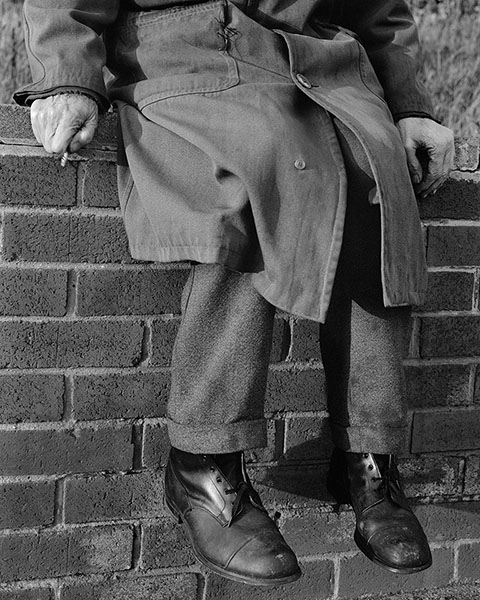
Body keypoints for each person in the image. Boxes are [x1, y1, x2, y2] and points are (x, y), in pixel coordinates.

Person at [15, 0, 454, 588]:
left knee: (377, 179)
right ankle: (203, 462)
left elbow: (378, 9)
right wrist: (67, 76)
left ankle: (369, 459)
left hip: (319, 64)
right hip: (187, 57)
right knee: (256, 175)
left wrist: (409, 103)